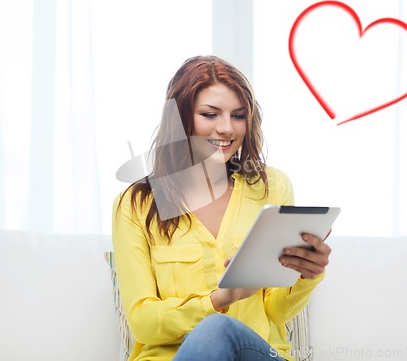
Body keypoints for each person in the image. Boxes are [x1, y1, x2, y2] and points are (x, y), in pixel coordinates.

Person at [112, 55, 331, 361]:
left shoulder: (272, 188)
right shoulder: (136, 205)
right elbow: (143, 324)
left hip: (255, 354)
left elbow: (276, 311)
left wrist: (307, 274)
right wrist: (218, 300)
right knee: (214, 328)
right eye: (210, 114)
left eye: (238, 115)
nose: (227, 128)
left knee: (218, 330)